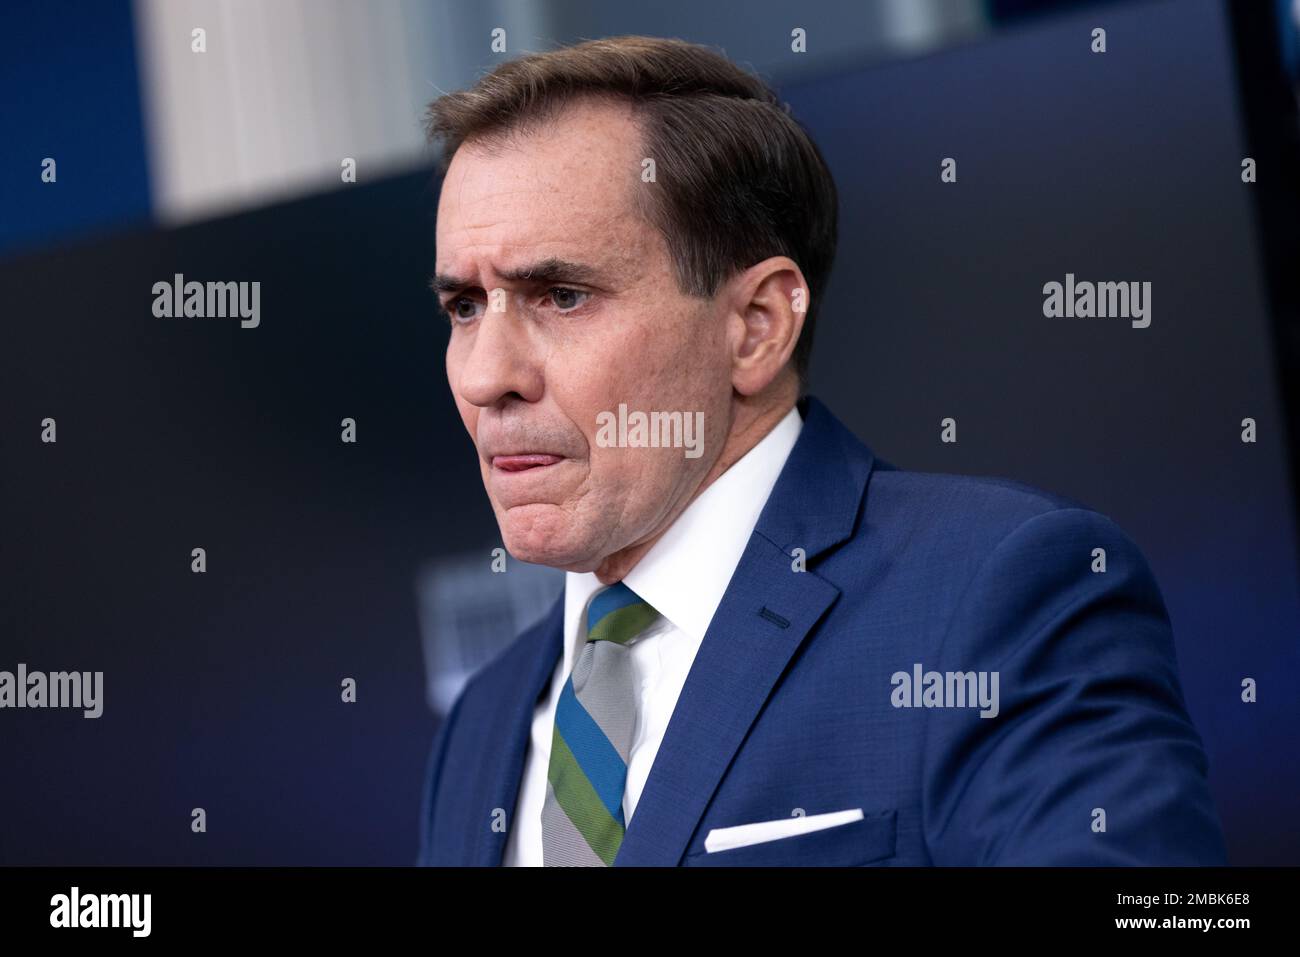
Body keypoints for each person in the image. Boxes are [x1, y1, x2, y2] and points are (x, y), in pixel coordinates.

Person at [416, 36, 1226, 866]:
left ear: (757, 325)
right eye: (466, 307)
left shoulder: (997, 596)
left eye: (564, 295)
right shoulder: (484, 720)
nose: (486, 377)